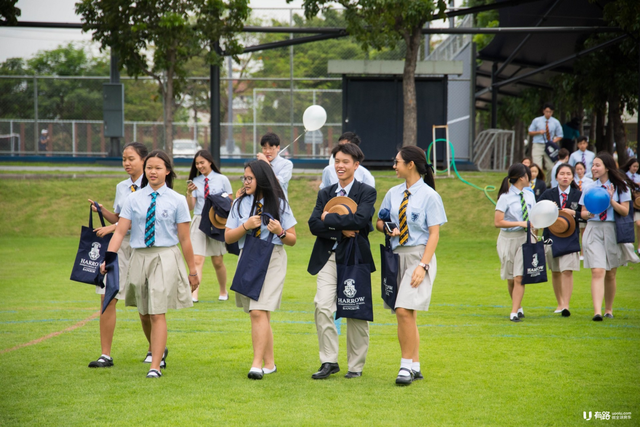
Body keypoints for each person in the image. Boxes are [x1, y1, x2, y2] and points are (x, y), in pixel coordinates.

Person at [101, 150, 199, 378]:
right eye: (149, 168)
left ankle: (155, 366)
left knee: (157, 313)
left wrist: (192, 271)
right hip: (139, 257)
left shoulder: (177, 201)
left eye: (157, 168)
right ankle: (158, 347)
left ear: (167, 171)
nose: (152, 172)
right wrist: (109, 258)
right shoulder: (133, 199)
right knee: (144, 313)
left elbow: (185, 239)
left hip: (165, 257)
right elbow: (120, 232)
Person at [376, 146, 446, 386]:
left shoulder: (429, 196)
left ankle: (405, 366)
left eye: (397, 162)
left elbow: (434, 234)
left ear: (411, 165)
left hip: (419, 256)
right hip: (396, 257)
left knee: (404, 310)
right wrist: (386, 227)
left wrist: (423, 265)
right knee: (405, 314)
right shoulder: (393, 193)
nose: (394, 166)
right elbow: (379, 221)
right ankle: (415, 365)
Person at [308, 143, 376, 380]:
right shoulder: (325, 193)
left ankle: (355, 367)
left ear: (356, 165)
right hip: (328, 257)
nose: (340, 165)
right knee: (323, 306)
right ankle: (329, 361)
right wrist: (339, 230)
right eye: (337, 160)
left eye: (345, 161)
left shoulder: (367, 191)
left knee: (356, 311)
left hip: (355, 257)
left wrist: (329, 218)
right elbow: (313, 225)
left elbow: (360, 221)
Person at [225, 160, 297, 380]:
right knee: (259, 313)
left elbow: (292, 239)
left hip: (272, 257)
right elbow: (228, 237)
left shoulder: (280, 204)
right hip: (248, 256)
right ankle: (270, 363)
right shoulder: (239, 204)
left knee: (258, 310)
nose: (246, 182)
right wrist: (246, 226)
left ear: (262, 179)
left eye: (250, 178)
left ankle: (256, 365)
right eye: (244, 178)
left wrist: (280, 231)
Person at [86, 142, 150, 369]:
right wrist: (102, 211)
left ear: (144, 160)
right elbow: (119, 218)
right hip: (118, 247)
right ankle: (105, 355)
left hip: (142, 247)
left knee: (145, 302)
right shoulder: (122, 187)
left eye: (131, 158)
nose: (126, 163)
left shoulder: (152, 186)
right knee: (107, 296)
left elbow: (139, 221)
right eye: (124, 159)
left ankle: (156, 349)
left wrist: (113, 228)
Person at [579, 152, 638, 321]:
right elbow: (583, 212)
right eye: (593, 165)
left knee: (611, 272)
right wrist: (589, 214)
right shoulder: (590, 187)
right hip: (594, 229)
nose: (594, 168)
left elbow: (625, 211)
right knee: (598, 270)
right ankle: (597, 312)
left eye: (597, 165)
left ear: (607, 167)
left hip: (612, 230)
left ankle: (608, 309)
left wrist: (610, 200)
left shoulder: (621, 187)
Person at [186, 150, 233, 303]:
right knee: (197, 259)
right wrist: (189, 193)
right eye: (197, 164)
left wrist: (218, 200)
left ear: (210, 162)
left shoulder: (222, 179)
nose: (199, 166)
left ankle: (223, 291)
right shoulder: (195, 180)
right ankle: (194, 295)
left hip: (215, 221)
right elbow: (191, 207)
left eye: (202, 163)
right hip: (199, 220)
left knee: (217, 260)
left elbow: (229, 200)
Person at [494, 163, 536, 322]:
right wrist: (520, 223)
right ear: (521, 178)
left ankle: (514, 312)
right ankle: (517, 306)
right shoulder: (505, 197)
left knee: (519, 277)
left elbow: (534, 216)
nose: (530, 177)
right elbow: (498, 222)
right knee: (511, 278)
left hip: (525, 238)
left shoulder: (530, 195)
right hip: (508, 240)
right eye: (528, 175)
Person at [538, 164, 582, 317]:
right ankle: (560, 303)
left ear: (572, 177)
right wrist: (549, 209)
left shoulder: (578, 195)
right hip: (550, 237)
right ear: (556, 177)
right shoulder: (547, 194)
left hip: (570, 237)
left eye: (568, 174)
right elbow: (537, 215)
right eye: (562, 174)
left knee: (567, 271)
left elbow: (586, 215)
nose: (565, 176)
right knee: (555, 271)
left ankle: (566, 306)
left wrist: (573, 213)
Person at [528, 103, 563, 175]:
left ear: (552, 112)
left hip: (549, 145)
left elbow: (560, 135)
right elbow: (530, 132)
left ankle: (547, 184)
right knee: (537, 166)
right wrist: (538, 132)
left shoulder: (556, 122)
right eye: (547, 111)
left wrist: (553, 142)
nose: (548, 113)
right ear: (543, 111)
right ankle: (538, 184)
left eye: (550, 112)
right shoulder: (537, 120)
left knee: (551, 167)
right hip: (538, 144)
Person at [255, 132, 293, 199]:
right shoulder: (258, 164)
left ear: (278, 148)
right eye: (264, 148)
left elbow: (277, 183)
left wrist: (266, 164)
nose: (267, 151)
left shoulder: (286, 164)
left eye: (271, 148)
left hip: (279, 205)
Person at [574, 161, 593, 259]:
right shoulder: (573, 181)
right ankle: (578, 251)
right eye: (577, 169)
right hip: (577, 206)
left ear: (584, 169)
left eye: (581, 169)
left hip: (586, 206)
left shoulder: (590, 182)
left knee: (585, 230)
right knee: (579, 229)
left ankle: (584, 253)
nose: (579, 171)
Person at [621, 157, 640, 253]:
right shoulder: (624, 176)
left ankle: (639, 247)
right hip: (628, 202)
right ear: (629, 166)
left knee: (639, 224)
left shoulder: (639, 177)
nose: (635, 168)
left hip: (637, 204)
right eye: (634, 166)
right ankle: (629, 247)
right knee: (629, 224)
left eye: (637, 167)